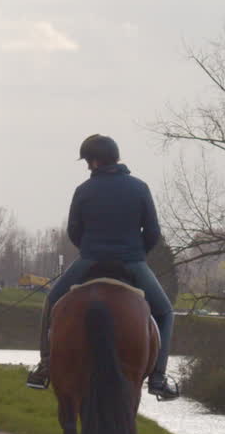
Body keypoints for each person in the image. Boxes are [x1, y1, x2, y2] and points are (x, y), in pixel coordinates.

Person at [25, 134, 178, 400]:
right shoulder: (140, 188)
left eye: (87, 161)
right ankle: (158, 378)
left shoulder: (84, 190)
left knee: (51, 301)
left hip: (90, 262)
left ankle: (45, 366)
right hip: (132, 263)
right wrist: (136, 253)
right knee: (165, 312)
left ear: (95, 161)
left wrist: (91, 249)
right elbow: (152, 232)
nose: (87, 166)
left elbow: (74, 231)